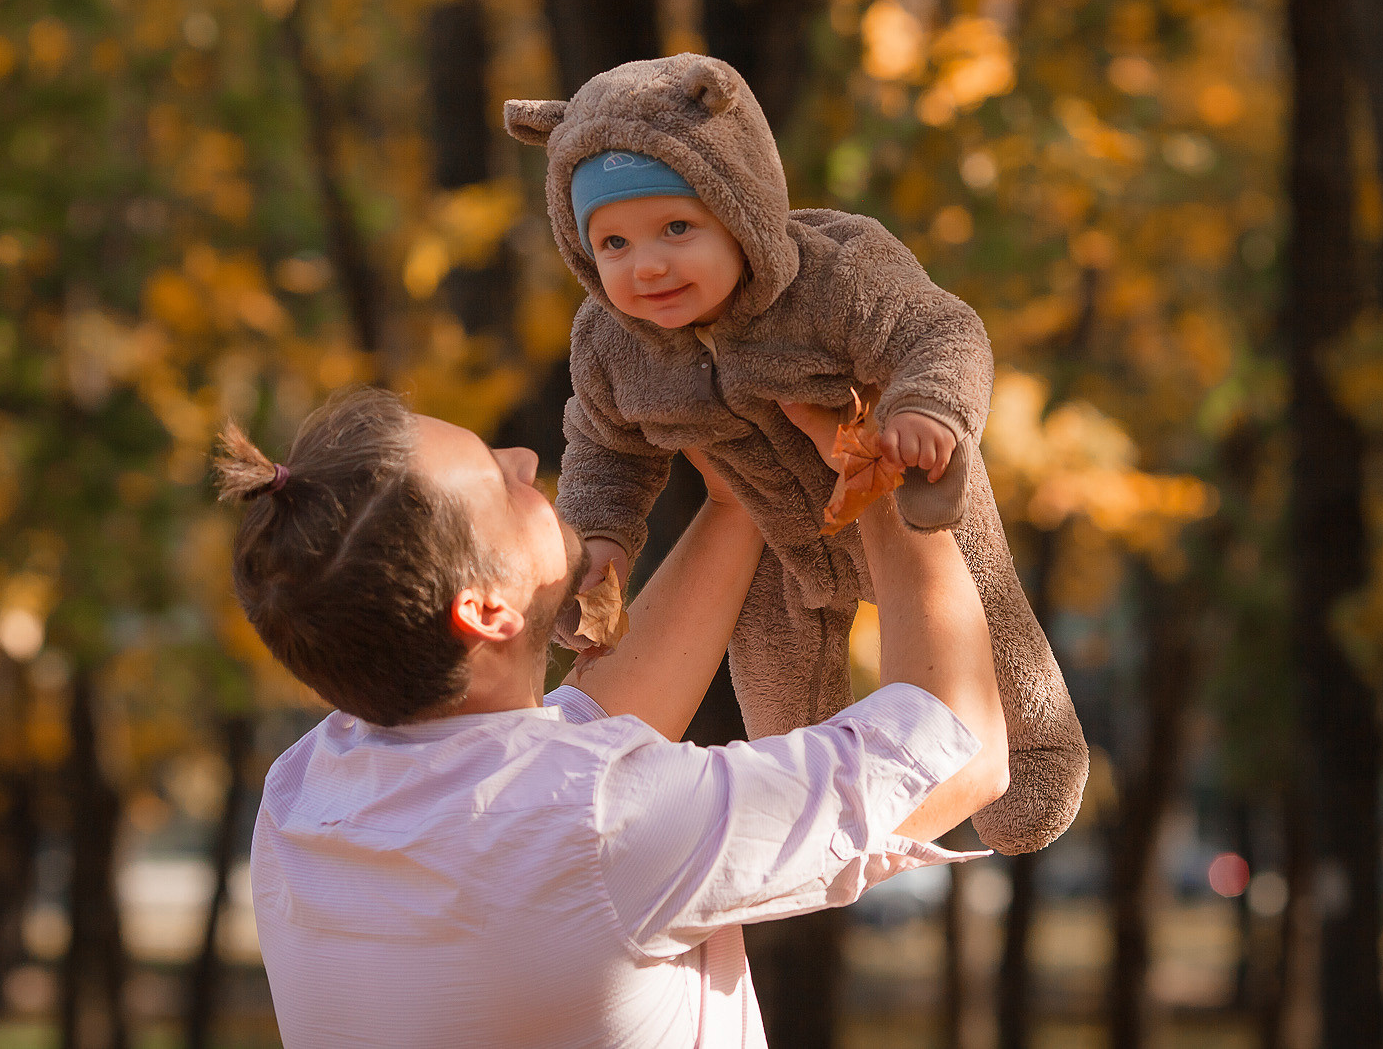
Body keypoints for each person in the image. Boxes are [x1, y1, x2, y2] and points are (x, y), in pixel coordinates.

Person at [216, 387, 1008, 1047]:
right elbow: (957, 742)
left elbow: (578, 754)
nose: (524, 460)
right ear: (486, 608)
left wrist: (736, 501)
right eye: (499, 481)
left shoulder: (303, 797)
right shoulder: (600, 825)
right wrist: (879, 471)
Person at [502, 52, 1085, 856]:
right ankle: (811, 848)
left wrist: (926, 409)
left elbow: (942, 331)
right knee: (782, 712)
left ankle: (1037, 752)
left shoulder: (838, 273)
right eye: (613, 243)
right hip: (775, 539)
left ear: (739, 208)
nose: (649, 265)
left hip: (898, 479)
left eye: (677, 227)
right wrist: (598, 541)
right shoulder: (611, 345)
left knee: (980, 607)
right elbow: (606, 448)